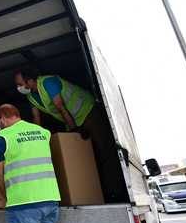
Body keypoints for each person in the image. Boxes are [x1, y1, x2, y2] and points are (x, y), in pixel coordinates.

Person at [14, 67, 121, 201]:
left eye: (19, 84)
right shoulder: (31, 97)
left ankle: (114, 192)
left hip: (87, 111)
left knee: (104, 150)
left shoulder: (48, 83)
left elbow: (61, 107)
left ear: (29, 81)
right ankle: (89, 191)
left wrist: (74, 130)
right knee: (85, 156)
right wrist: (35, 140)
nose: (18, 87)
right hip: (72, 120)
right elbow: (36, 119)